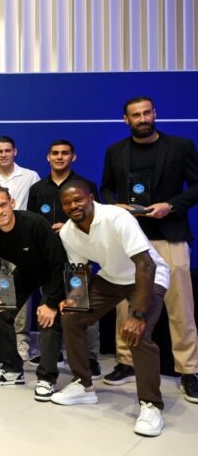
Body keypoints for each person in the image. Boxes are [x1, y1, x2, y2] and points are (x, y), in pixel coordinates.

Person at [52, 180, 170, 437]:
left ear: (91, 198)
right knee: (72, 317)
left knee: (137, 334)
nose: (73, 206)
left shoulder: (116, 217)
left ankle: (151, 405)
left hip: (147, 277)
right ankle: (83, 385)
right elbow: (80, 271)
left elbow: (146, 264)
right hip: (111, 279)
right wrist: (74, 299)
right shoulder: (68, 232)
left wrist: (136, 314)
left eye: (78, 199)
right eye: (67, 203)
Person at [99, 96, 198, 402]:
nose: (142, 119)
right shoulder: (115, 151)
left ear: (155, 113)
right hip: (130, 239)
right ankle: (126, 361)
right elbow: (105, 188)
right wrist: (115, 207)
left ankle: (188, 370)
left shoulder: (180, 147)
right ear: (125, 120)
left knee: (180, 305)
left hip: (170, 235)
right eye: (135, 115)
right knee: (125, 303)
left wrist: (172, 205)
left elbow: (196, 186)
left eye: (146, 113)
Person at [0, 183, 66, 399]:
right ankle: (12, 369)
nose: (0, 211)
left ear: (12, 203)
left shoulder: (35, 223)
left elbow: (58, 263)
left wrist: (51, 303)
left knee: (46, 317)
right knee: (0, 310)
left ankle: (47, 378)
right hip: (26, 272)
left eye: (3, 205)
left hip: (53, 273)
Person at [26, 139, 102, 377]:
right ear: (48, 157)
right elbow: (31, 223)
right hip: (48, 258)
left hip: (78, 254)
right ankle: (53, 351)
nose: (59, 157)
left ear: (73, 157)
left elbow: (97, 219)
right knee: (50, 302)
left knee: (81, 306)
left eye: (65, 153)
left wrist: (69, 226)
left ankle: (89, 357)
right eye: (55, 153)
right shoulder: (37, 189)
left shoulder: (85, 186)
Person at [0, 136, 40, 360]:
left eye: (7, 150)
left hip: (22, 240)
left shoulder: (30, 176)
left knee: (22, 287)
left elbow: (33, 208)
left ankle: (21, 338)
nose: (3, 154)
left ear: (15, 151)